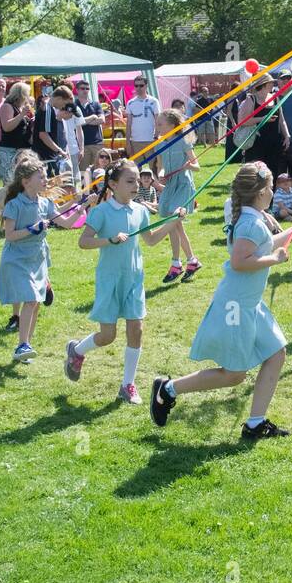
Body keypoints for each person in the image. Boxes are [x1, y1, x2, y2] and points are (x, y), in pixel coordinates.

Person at [148, 162, 292, 439]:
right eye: (270, 188)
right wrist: (275, 260)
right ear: (259, 193)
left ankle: (255, 424)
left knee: (276, 354)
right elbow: (240, 262)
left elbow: (265, 244)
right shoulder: (250, 223)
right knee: (234, 374)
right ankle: (168, 389)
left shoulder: (253, 219)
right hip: (236, 306)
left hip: (250, 304)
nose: (272, 192)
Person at [64, 161, 174, 403]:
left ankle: (128, 385)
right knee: (108, 336)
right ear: (113, 185)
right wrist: (109, 241)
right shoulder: (102, 211)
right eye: (130, 181)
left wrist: (172, 222)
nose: (136, 185)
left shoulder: (141, 210)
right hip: (110, 279)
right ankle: (77, 351)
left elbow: (151, 240)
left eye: (137, 180)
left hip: (134, 278)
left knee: (136, 329)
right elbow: (84, 242)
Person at [0, 153, 87, 362]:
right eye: (41, 177)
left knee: (36, 302)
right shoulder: (14, 206)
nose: (46, 180)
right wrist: (32, 229)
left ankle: (25, 345)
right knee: (30, 299)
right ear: (26, 181)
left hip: (37, 258)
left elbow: (65, 222)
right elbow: (10, 236)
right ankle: (23, 345)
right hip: (17, 259)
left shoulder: (44, 203)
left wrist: (82, 207)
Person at [154, 109, 202, 284]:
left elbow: (197, 166)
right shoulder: (159, 143)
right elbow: (160, 166)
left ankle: (180, 262)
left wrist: (189, 166)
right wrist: (161, 174)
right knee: (174, 225)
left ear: (172, 126)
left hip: (183, 185)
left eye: (160, 124)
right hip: (170, 185)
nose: (157, 127)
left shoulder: (183, 141)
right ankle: (187, 261)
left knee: (173, 220)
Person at [238, 74, 290, 173]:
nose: (273, 84)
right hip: (256, 144)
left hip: (274, 143)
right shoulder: (251, 99)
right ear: (264, 84)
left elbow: (282, 120)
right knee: (256, 174)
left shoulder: (275, 98)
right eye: (271, 82)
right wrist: (263, 119)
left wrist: (287, 135)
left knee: (273, 172)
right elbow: (242, 121)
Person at [0, 82, 33, 186]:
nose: (28, 97)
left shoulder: (21, 108)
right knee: (10, 184)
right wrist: (21, 115)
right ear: (21, 94)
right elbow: (7, 127)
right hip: (9, 151)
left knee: (23, 183)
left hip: (22, 150)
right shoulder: (7, 106)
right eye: (27, 94)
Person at [31, 85, 72, 176]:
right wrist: (59, 151)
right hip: (45, 157)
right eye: (64, 104)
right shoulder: (47, 109)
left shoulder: (49, 108)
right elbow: (43, 135)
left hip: (47, 157)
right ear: (59, 98)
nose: (63, 107)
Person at [124, 76, 162, 176]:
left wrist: (156, 136)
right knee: (136, 170)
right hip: (135, 141)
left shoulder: (154, 101)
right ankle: (138, 191)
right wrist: (127, 142)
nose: (138, 88)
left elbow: (158, 120)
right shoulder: (130, 102)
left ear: (146, 86)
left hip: (151, 140)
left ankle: (157, 190)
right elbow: (128, 124)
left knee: (154, 167)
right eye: (136, 86)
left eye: (141, 85)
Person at [72, 80, 105, 174]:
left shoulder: (95, 104)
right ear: (77, 90)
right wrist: (92, 117)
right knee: (83, 173)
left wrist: (82, 121)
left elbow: (102, 120)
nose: (85, 91)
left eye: (87, 88)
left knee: (99, 172)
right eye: (82, 88)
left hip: (97, 143)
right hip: (82, 146)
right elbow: (74, 123)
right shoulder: (73, 105)